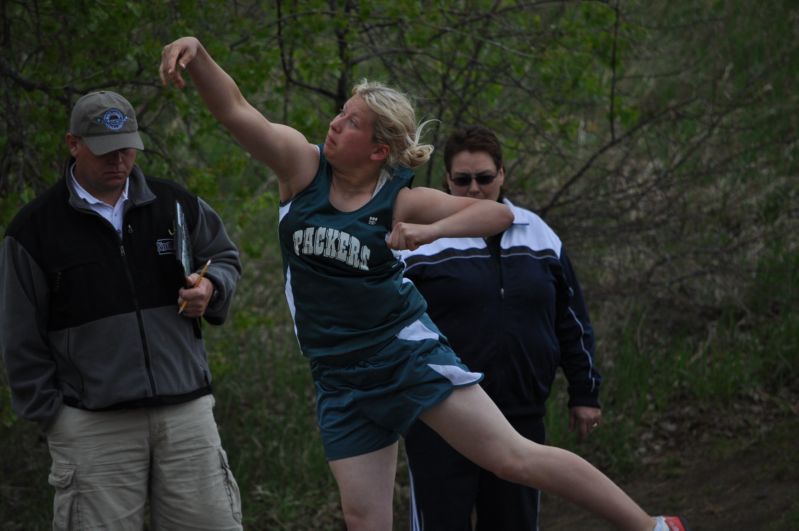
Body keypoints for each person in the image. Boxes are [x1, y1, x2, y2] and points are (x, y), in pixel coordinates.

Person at [158, 36, 689, 531]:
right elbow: (236, 111)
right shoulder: (301, 168)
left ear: (378, 150)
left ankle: (651, 526)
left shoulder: (400, 199)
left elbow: (496, 219)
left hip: (403, 355)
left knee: (511, 458)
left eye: (353, 121)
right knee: (364, 519)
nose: (336, 123)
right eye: (341, 112)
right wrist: (198, 56)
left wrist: (428, 231)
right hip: (338, 375)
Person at [0, 90, 243, 530]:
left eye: (127, 149)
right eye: (106, 151)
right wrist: (54, 415)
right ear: (74, 144)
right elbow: (19, 336)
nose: (119, 161)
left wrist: (211, 287)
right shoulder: (34, 231)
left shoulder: (174, 204)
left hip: (185, 413)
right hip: (92, 426)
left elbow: (224, 256)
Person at [400, 124, 602, 530]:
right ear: (446, 180)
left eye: (484, 178)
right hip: (443, 413)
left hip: (521, 411)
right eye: (462, 180)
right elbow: (395, 325)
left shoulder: (539, 234)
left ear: (502, 175)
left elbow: (571, 319)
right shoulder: (420, 241)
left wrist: (585, 392)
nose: (474, 189)